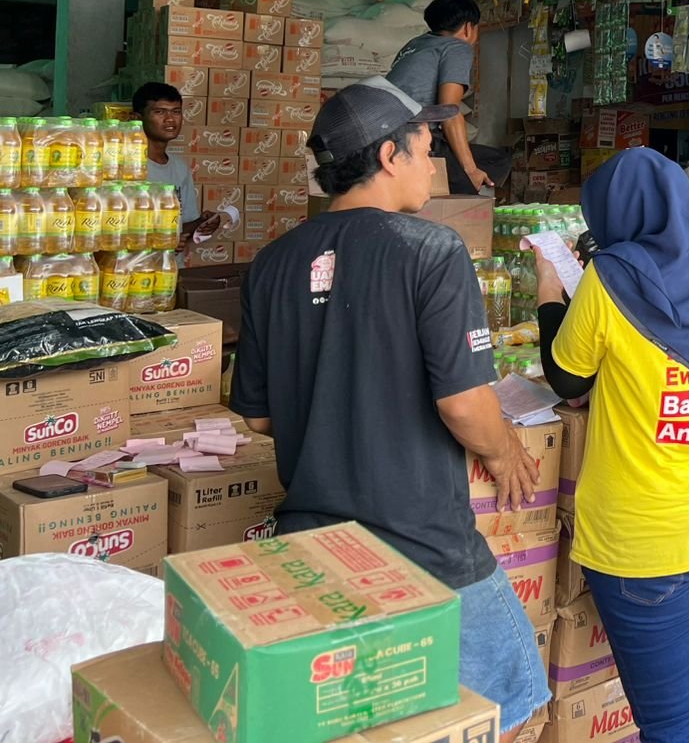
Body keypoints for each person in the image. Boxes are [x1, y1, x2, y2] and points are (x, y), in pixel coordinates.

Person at [230, 77, 549, 743]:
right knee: (517, 702)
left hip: (310, 545)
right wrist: (503, 451)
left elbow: (258, 417)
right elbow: (464, 404)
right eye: (428, 147)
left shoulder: (271, 264)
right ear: (387, 155)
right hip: (420, 545)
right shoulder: (430, 250)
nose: (433, 165)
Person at [533, 147, 689, 743]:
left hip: (647, 533)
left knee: (674, 721)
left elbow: (567, 378)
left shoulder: (610, 278)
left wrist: (548, 291)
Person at [386, 0, 509, 195]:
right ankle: (442, 202)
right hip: (412, 137)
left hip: (384, 134)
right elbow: (449, 111)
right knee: (497, 160)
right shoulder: (457, 47)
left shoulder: (415, 44)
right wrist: (471, 170)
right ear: (468, 28)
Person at [133, 81, 220, 244]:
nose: (170, 119)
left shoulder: (180, 167)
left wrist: (202, 223)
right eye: (159, 112)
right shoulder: (126, 167)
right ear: (137, 118)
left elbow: (181, 227)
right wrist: (161, 243)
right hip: (138, 260)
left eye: (176, 112)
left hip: (172, 261)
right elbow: (113, 232)